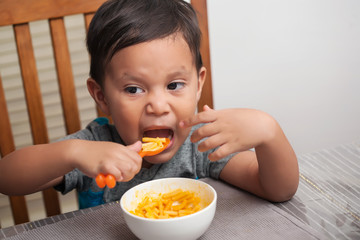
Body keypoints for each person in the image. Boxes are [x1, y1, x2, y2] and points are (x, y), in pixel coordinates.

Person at [0, 0, 298, 208]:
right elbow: (7, 179)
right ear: (101, 96)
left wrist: (268, 132)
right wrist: (72, 153)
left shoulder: (201, 145)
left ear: (199, 84)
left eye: (174, 85)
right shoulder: (96, 146)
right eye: (134, 89)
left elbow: (279, 190)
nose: (158, 105)